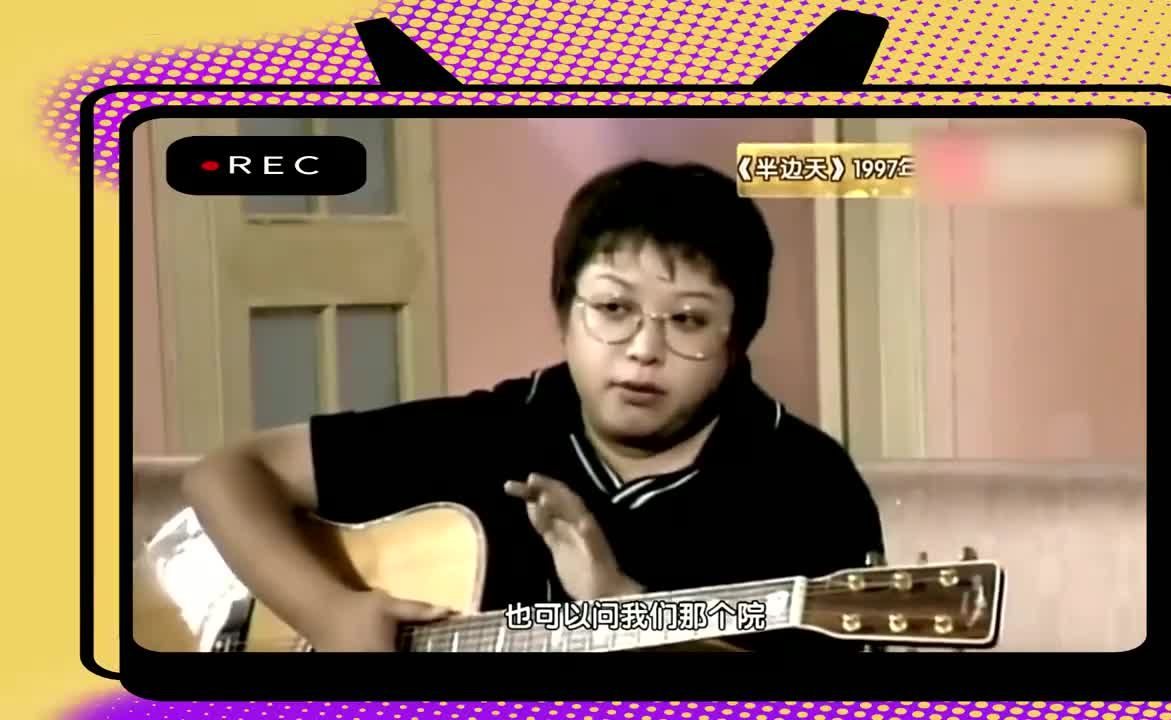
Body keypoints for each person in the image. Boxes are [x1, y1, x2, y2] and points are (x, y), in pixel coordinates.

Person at [182, 159, 885, 653]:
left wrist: (623, 611)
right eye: (613, 309)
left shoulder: (807, 485)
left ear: (737, 342)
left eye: (689, 321)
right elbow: (228, 474)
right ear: (564, 315)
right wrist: (328, 611)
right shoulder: (499, 427)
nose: (644, 350)